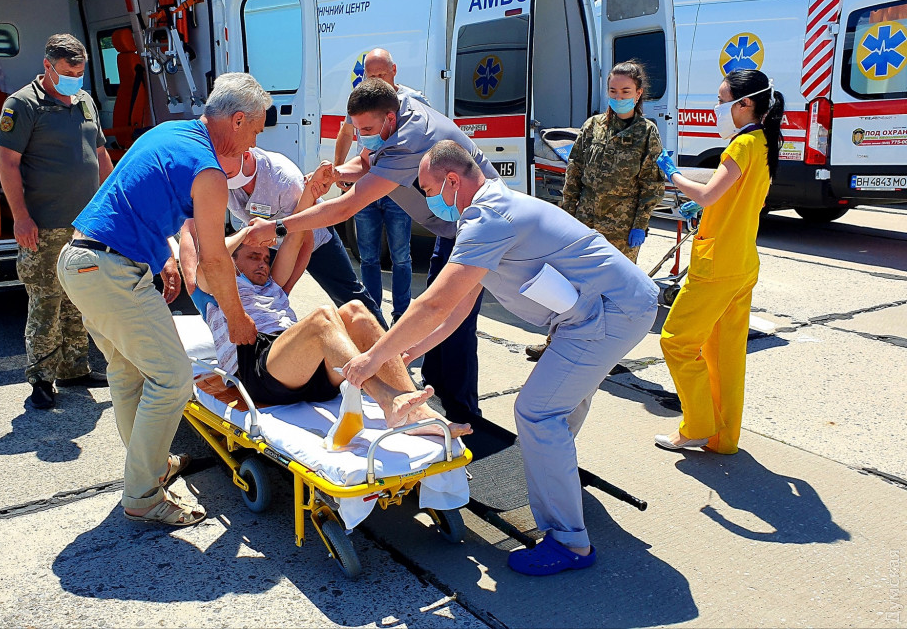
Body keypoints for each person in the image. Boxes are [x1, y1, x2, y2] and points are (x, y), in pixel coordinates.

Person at [342, 140, 659, 576]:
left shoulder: (488, 219)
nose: (428, 200)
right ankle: (557, 482)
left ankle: (570, 542)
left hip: (608, 314)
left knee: (538, 412)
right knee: (557, 409)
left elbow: (433, 304)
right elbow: (458, 307)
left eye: (428, 189)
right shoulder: (492, 208)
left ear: (452, 181)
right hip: (604, 311)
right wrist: (411, 350)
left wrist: (373, 358)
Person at [57, 73, 274, 527]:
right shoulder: (210, 172)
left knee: (128, 372)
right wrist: (236, 319)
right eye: (255, 129)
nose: (255, 140)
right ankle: (142, 494)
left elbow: (135, 201)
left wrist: (163, 258)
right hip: (110, 271)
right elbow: (214, 259)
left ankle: (151, 467)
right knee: (173, 380)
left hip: (80, 261)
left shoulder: (171, 131)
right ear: (237, 120)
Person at [244, 78, 500, 424]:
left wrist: (277, 227)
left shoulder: (409, 141)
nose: (362, 137)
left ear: (390, 119)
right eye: (357, 129)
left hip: (475, 225)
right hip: (452, 226)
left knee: (452, 321)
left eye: (366, 130)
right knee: (423, 318)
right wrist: (337, 173)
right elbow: (365, 162)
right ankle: (426, 403)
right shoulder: (397, 106)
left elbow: (345, 207)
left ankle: (462, 413)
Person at [193, 239, 471, 439]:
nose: (262, 264)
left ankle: (417, 410)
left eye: (266, 258)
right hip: (258, 369)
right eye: (253, 256)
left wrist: (309, 195)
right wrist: (247, 233)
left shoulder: (273, 285)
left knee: (356, 311)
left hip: (303, 371)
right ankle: (388, 401)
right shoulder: (217, 290)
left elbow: (302, 240)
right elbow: (205, 262)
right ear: (232, 262)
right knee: (323, 318)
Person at [653, 69, 784, 455]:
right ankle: (723, 438)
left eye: (722, 100)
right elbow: (738, 199)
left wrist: (673, 173)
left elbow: (709, 194)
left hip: (716, 267)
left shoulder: (741, 145)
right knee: (725, 355)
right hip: (741, 262)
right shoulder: (764, 142)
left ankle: (696, 425)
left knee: (677, 341)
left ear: (745, 104)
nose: (717, 107)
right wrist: (707, 209)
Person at [0, 34, 114, 409]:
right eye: (68, 72)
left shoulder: (85, 102)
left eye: (80, 73)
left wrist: (112, 205)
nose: (75, 79)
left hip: (84, 224)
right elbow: (7, 164)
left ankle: (75, 368)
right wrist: (21, 218)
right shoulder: (22, 104)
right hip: (43, 225)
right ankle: (42, 379)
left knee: (79, 298)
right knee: (46, 302)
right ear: (48, 66)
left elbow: (100, 154)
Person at [527, 60, 664, 361]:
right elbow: (574, 173)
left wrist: (640, 224)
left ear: (638, 93)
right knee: (571, 288)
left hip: (621, 231)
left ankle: (603, 357)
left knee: (612, 296)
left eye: (625, 91)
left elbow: (652, 184)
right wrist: (566, 215)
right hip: (584, 223)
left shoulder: (647, 133)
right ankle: (556, 344)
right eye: (613, 90)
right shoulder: (592, 127)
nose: (618, 96)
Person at [180, 147, 387, 326]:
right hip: (265, 238)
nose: (222, 177)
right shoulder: (218, 177)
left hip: (312, 237)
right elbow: (195, 232)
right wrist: (192, 286)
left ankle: (387, 344)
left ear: (246, 156)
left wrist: (282, 292)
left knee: (349, 294)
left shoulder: (284, 181)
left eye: (228, 172)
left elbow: (304, 241)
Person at [334, 49, 430, 323]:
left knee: (401, 256)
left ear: (394, 70)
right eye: (371, 75)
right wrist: (338, 169)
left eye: (381, 74)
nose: (376, 80)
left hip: (397, 188)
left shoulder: (413, 101)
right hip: (367, 184)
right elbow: (347, 133)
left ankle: (401, 316)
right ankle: (372, 315)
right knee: (368, 256)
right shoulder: (362, 98)